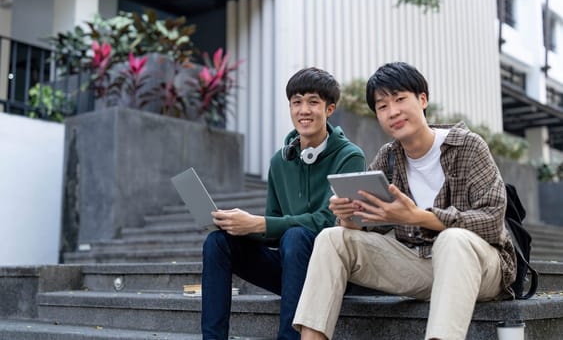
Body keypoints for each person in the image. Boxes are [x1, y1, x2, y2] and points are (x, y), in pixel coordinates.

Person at [292, 62, 517, 340]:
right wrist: (349, 215)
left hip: (483, 269)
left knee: (453, 239)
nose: (393, 111)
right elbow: (364, 226)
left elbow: (492, 221)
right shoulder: (388, 157)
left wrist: (416, 217)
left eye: (400, 99)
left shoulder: (467, 145)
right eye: (383, 106)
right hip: (420, 266)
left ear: (422, 99)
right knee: (331, 238)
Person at [201, 67, 366, 340]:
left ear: (329, 109)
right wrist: (238, 226)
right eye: (296, 102)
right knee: (217, 242)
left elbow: (329, 221)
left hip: (331, 272)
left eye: (313, 102)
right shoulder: (280, 161)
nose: (304, 109)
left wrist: (260, 223)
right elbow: (273, 225)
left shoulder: (350, 156)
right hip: (291, 268)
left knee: (296, 235)